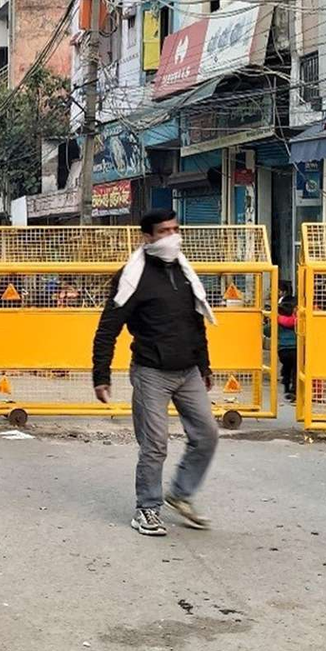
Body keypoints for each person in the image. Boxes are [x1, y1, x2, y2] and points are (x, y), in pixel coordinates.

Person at [92, 208, 219, 537]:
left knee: (207, 434)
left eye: (176, 229)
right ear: (147, 237)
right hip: (151, 372)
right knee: (154, 444)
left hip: (188, 370)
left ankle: (180, 493)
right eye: (164, 231)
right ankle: (147, 509)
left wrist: (204, 365)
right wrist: (100, 375)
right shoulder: (133, 277)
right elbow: (108, 329)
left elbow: (196, 321)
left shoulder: (184, 271)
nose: (172, 236)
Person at [273, 295, 297, 402]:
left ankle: (286, 386)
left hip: (282, 351)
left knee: (286, 367)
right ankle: (294, 390)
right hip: (295, 349)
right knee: (295, 369)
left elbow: (267, 331)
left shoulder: (277, 320)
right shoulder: (298, 320)